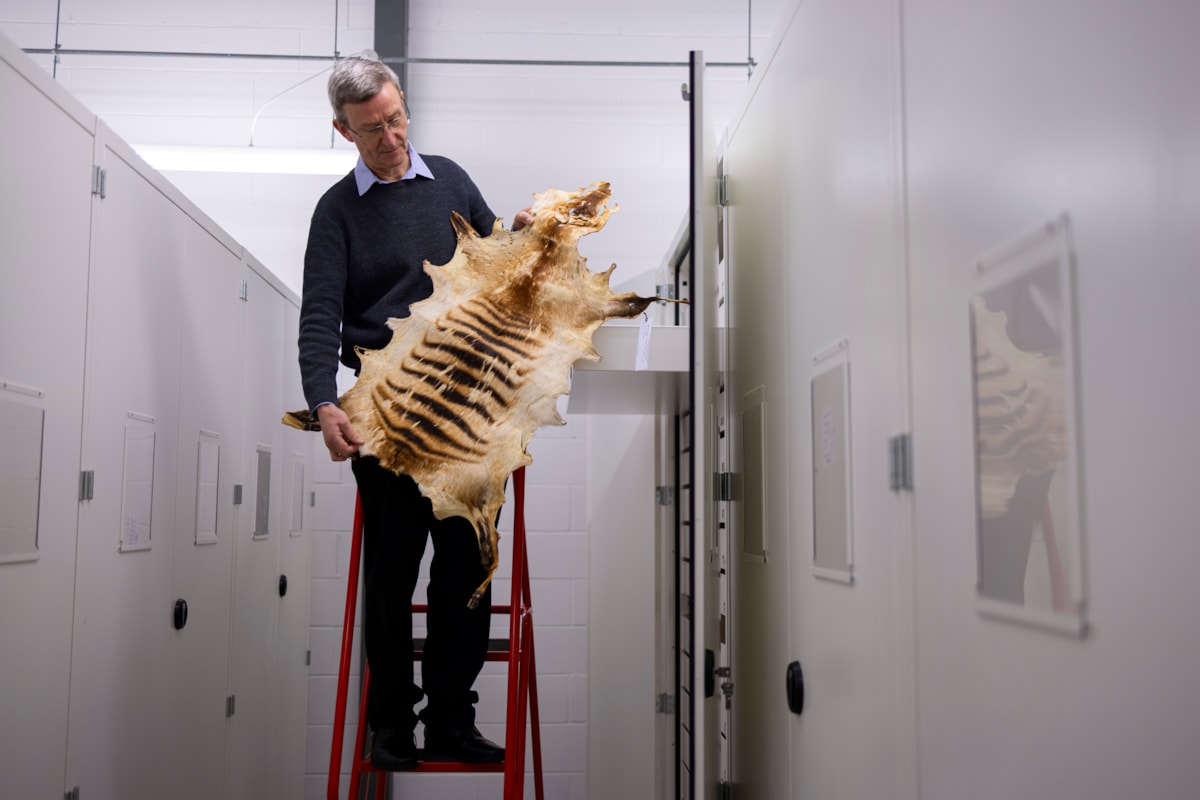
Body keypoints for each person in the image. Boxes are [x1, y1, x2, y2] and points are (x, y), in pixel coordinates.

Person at [298, 54, 532, 771]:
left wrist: (518, 237)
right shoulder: (338, 212)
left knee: (464, 577)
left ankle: (452, 723)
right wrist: (321, 402)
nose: (393, 137)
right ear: (343, 130)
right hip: (385, 420)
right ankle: (393, 724)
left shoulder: (453, 180)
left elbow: (497, 267)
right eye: (373, 130)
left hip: (469, 417)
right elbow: (319, 317)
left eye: (397, 119)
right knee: (394, 578)